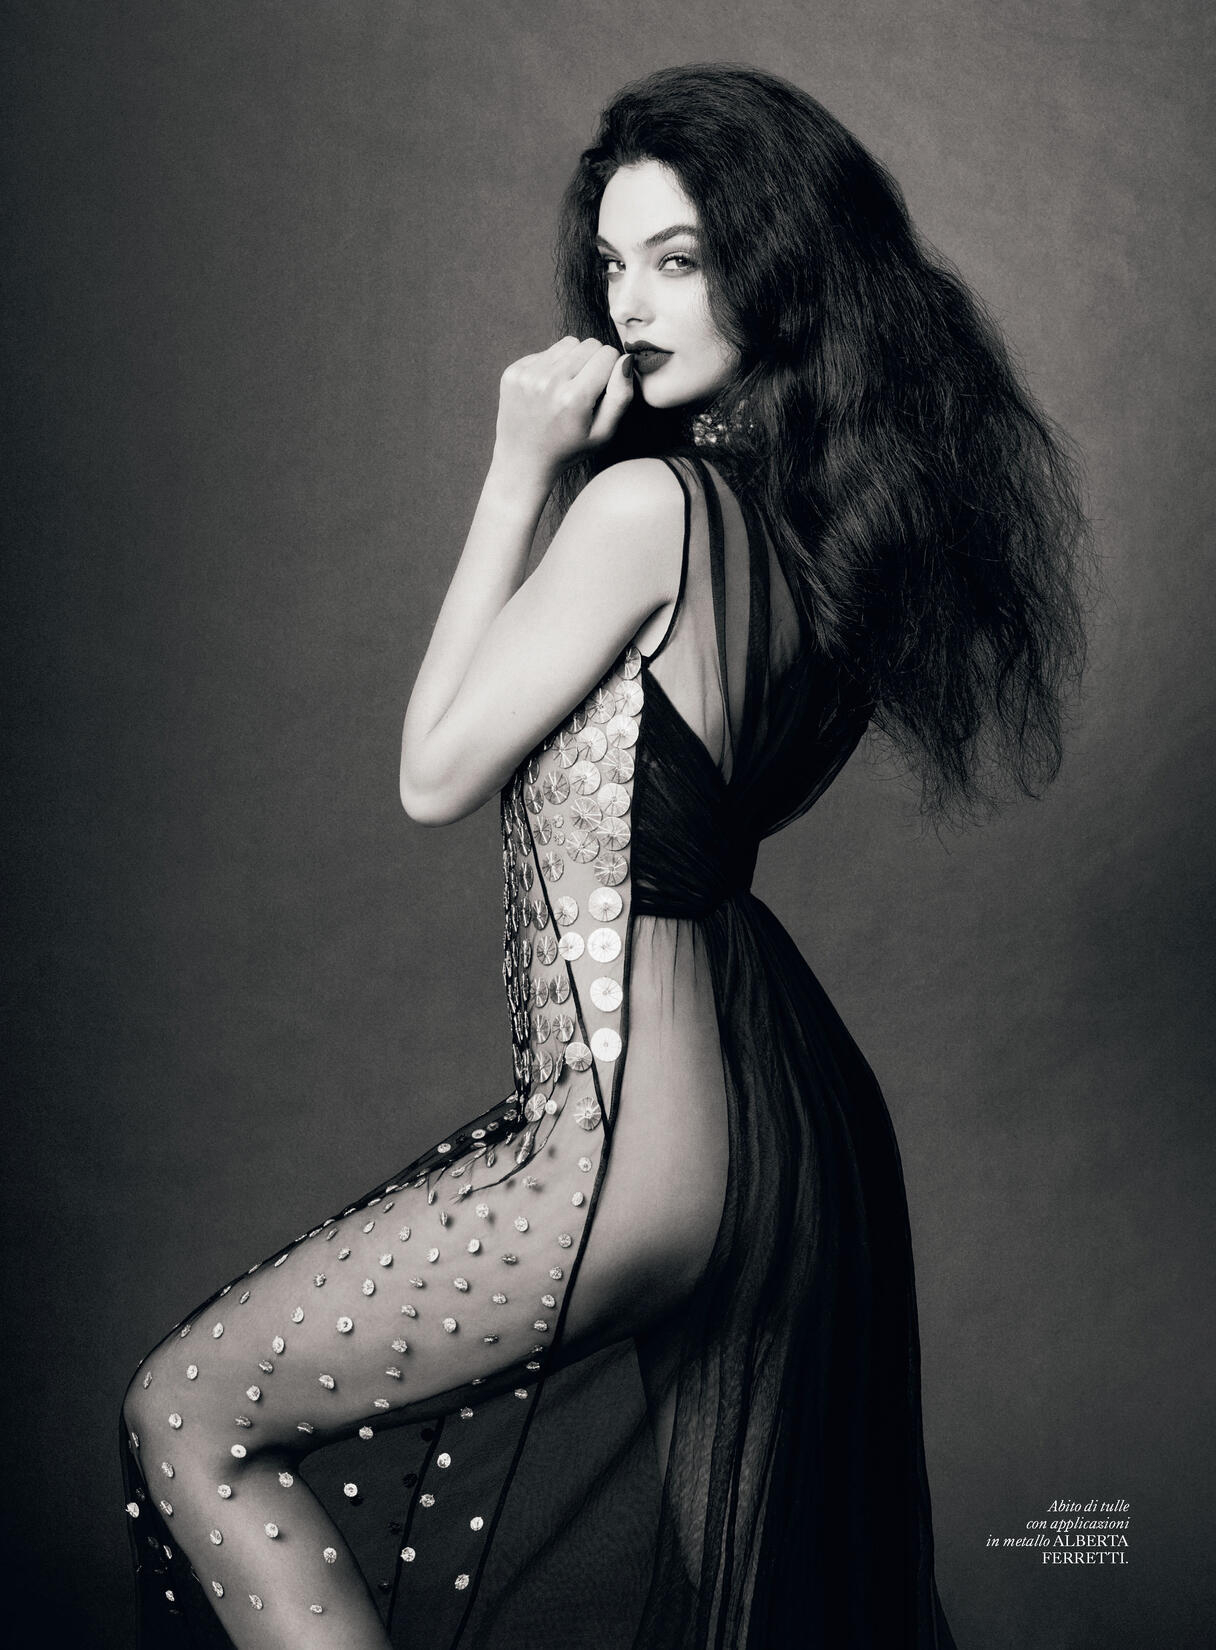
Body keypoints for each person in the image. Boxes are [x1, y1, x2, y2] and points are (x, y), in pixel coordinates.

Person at [121, 63, 1088, 1650]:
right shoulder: (822, 543)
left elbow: (435, 770)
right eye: (613, 263)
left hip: (622, 1155)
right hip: (779, 1138)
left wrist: (516, 466)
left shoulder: (652, 509)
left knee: (190, 1415)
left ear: (781, 265)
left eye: (681, 259)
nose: (629, 303)